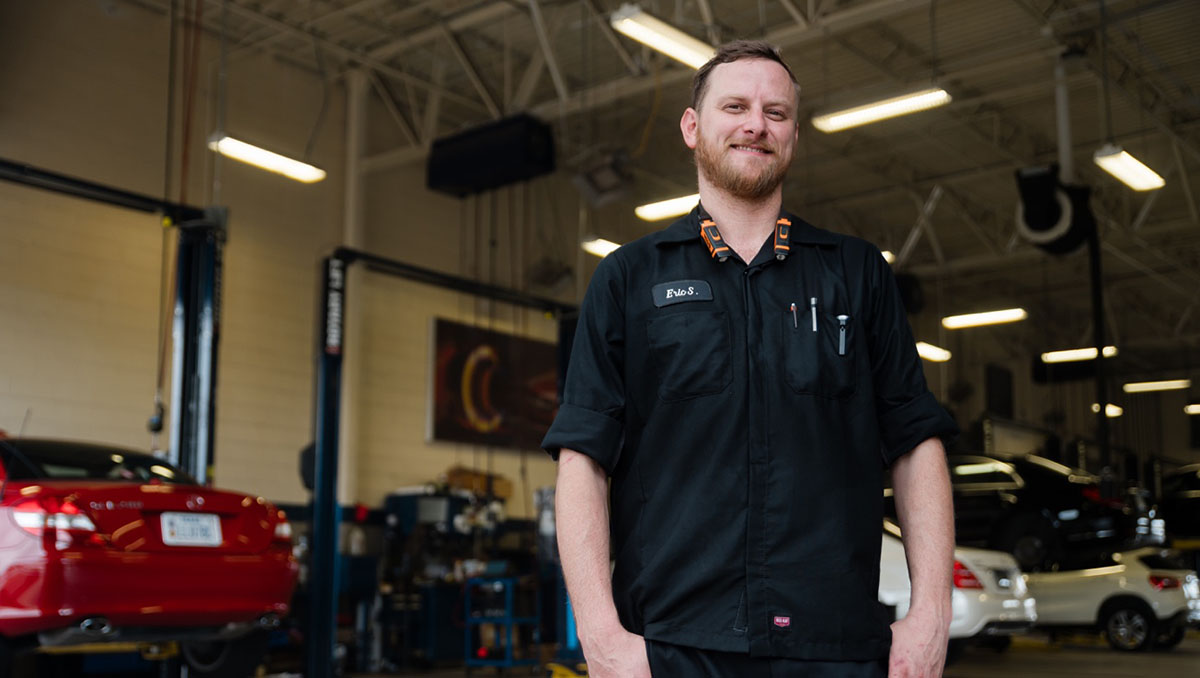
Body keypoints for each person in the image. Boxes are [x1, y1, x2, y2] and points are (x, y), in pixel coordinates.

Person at [542, 40, 958, 678]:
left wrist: (931, 616)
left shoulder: (856, 274)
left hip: (835, 646)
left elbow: (914, 441)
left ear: (793, 134)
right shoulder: (628, 279)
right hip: (671, 646)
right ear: (692, 127)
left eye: (776, 112)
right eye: (734, 106)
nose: (755, 125)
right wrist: (601, 638)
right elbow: (583, 457)